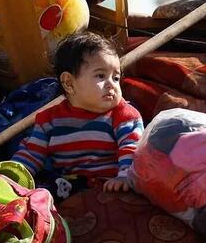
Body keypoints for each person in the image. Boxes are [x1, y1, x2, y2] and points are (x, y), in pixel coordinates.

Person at [12, 31, 144, 193]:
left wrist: (124, 176)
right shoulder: (49, 120)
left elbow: (132, 147)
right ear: (69, 83)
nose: (112, 84)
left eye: (116, 78)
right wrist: (12, 175)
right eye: (101, 76)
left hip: (112, 187)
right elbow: (32, 154)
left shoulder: (124, 115)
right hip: (68, 188)